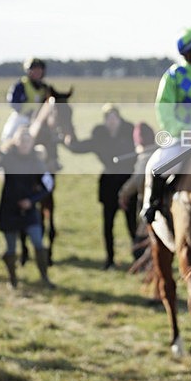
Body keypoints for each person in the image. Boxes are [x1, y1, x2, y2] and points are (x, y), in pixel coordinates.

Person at [143, 27, 191, 228]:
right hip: (184, 137)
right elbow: (164, 109)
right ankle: (153, 205)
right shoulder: (175, 75)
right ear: (189, 52)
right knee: (159, 166)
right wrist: (184, 129)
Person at [64, 104, 137, 270]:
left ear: (119, 118)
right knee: (108, 225)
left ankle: (138, 258)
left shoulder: (130, 134)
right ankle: (110, 260)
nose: (111, 121)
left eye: (114, 117)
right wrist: (68, 137)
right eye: (108, 118)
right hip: (109, 186)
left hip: (128, 184)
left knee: (132, 224)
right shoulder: (99, 137)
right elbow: (78, 147)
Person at [0, 126, 55, 289]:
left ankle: (44, 278)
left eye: (28, 141)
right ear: (16, 142)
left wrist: (32, 200)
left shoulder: (36, 162)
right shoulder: (7, 158)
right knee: (11, 248)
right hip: (9, 210)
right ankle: (13, 279)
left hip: (29, 211)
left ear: (32, 143)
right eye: (22, 141)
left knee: (38, 242)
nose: (24, 144)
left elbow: (48, 185)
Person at [117, 122, 156, 262]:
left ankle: (145, 264)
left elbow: (137, 180)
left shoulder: (145, 158)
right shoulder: (158, 153)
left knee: (142, 239)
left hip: (149, 204)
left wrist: (123, 193)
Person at [2, 58, 50, 141]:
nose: (37, 72)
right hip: (22, 117)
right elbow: (13, 102)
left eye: (39, 69)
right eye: (34, 69)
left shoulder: (45, 88)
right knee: (7, 137)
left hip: (38, 119)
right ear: (28, 71)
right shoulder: (21, 85)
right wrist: (24, 111)